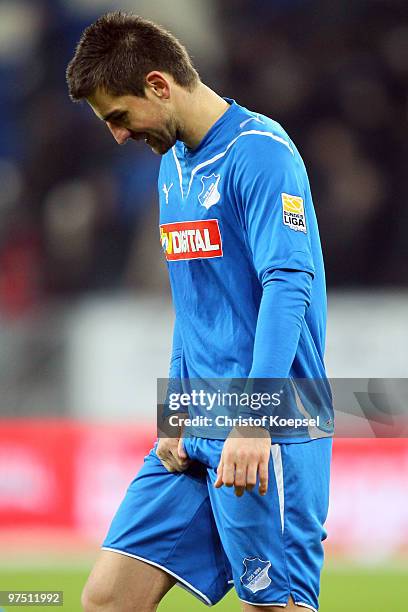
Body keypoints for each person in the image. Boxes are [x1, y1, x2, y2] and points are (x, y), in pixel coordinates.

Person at [66, 12, 333, 612]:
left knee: (274, 605)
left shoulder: (260, 154)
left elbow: (287, 284)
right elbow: (194, 306)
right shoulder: (172, 167)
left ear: (158, 85)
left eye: (118, 116)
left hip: (273, 417)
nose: (117, 135)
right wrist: (175, 409)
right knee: (107, 599)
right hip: (200, 421)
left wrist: (254, 418)